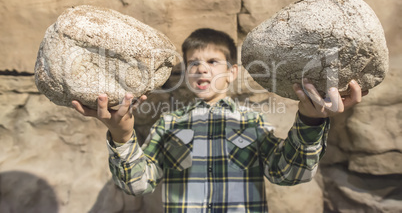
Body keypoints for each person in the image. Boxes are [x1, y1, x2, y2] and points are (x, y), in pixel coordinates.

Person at [72, 28, 365, 212]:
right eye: (193, 63)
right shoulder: (168, 124)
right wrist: (122, 135)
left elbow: (288, 174)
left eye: (213, 62)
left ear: (233, 72)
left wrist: (310, 121)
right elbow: (138, 185)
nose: (201, 69)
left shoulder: (252, 122)